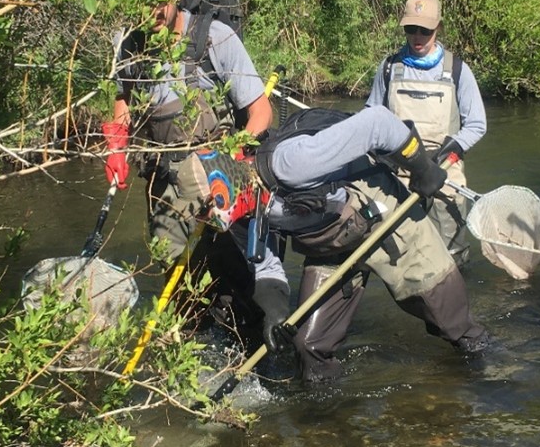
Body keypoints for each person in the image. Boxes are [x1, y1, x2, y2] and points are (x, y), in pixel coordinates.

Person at [191, 106, 494, 382]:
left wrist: (422, 169)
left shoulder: (288, 162)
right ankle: (326, 424)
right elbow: (267, 265)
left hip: (386, 219)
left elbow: (378, 122)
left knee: (453, 324)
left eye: (208, 208)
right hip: (330, 244)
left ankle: (490, 377)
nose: (210, 218)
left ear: (224, 184)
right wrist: (275, 310)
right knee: (309, 347)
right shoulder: (242, 217)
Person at [100, 0, 290, 342]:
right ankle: (192, 363)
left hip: (219, 178)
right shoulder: (129, 47)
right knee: (179, 289)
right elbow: (123, 101)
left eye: (155, 0)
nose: (148, 13)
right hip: (164, 187)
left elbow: (261, 113)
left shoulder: (214, 39)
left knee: (237, 281)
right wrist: (116, 147)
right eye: (137, 3)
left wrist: (231, 157)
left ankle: (259, 347)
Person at [367, 0, 487, 264]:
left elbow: (477, 124)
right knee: (397, 256)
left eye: (425, 30)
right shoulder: (388, 68)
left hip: (443, 169)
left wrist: (449, 152)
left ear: (438, 28)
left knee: (451, 256)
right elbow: (371, 116)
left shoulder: (458, 70)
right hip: (398, 170)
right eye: (411, 29)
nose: (417, 36)